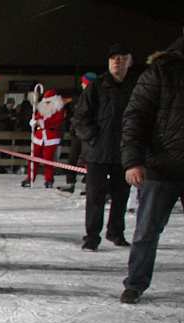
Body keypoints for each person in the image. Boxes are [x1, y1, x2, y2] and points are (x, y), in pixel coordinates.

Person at [119, 35, 184, 304]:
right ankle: (135, 283)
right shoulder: (162, 70)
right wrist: (133, 161)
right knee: (146, 231)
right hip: (161, 167)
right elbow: (136, 116)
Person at [74, 46, 137, 250]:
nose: (117, 62)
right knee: (95, 196)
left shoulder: (135, 87)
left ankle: (116, 231)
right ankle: (92, 236)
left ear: (129, 61)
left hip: (124, 152)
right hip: (98, 152)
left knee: (121, 195)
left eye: (121, 58)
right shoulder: (97, 86)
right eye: (113, 59)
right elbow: (81, 117)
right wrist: (92, 137)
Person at [60, 72, 97, 194]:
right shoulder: (79, 97)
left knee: (89, 160)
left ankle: (89, 185)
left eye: (84, 82)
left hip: (89, 134)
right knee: (73, 158)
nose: (82, 84)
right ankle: (70, 182)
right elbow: (74, 114)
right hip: (77, 133)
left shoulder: (97, 97)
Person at [21, 89, 64, 188]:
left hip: (51, 136)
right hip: (39, 136)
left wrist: (41, 122)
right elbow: (37, 117)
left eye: (48, 102)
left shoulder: (59, 110)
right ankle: (30, 178)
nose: (46, 103)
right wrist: (34, 121)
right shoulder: (42, 108)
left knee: (48, 160)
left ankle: (49, 180)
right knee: (33, 158)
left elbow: (56, 121)